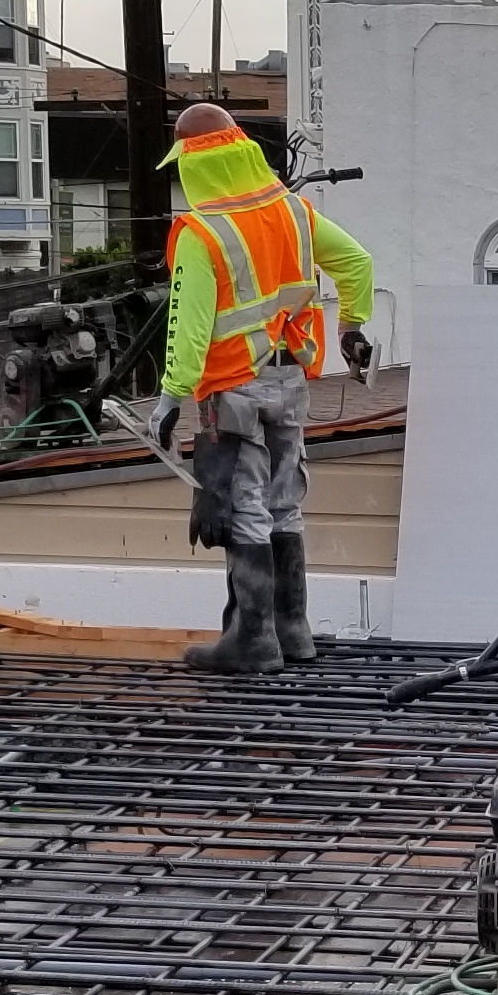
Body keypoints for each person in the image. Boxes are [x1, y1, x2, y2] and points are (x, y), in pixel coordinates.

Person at [158, 102, 375, 676]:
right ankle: (292, 630)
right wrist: (351, 326)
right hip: (290, 377)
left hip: (233, 385)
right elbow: (356, 262)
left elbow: (189, 321)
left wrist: (171, 394)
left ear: (194, 167)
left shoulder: (201, 232)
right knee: (285, 502)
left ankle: (251, 641)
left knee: (241, 505)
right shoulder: (294, 211)